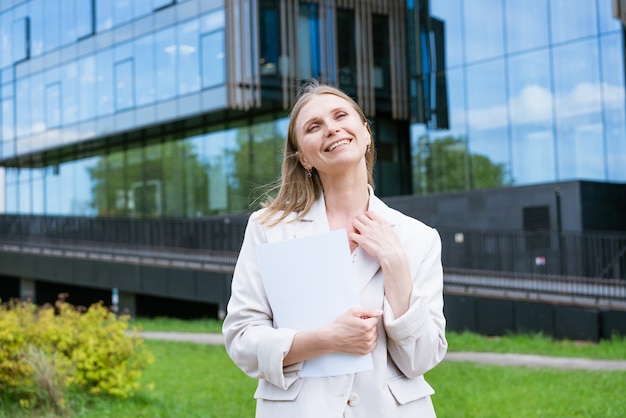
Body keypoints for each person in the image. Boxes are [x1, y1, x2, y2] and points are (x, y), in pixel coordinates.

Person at [222, 80, 447, 417]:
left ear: (366, 133)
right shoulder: (268, 229)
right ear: (303, 157)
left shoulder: (418, 237)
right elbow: (242, 340)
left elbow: (422, 358)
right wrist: (328, 339)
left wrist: (396, 264)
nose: (331, 128)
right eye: (314, 126)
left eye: (341, 115)